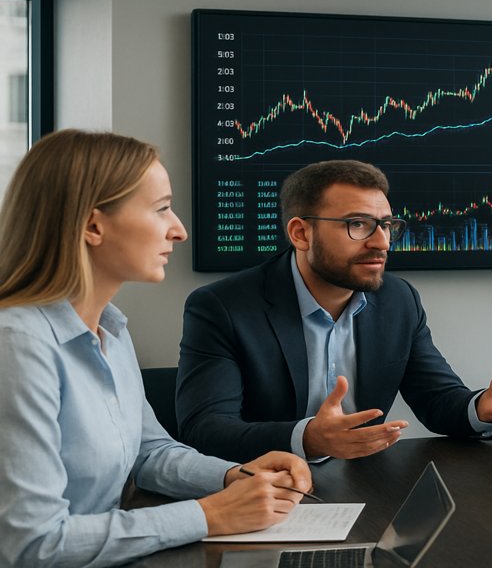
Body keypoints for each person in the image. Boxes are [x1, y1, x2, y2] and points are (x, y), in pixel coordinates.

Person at [0, 130, 313, 568]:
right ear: (93, 225)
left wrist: (237, 476)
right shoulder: (18, 346)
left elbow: (149, 453)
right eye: (161, 208)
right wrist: (210, 514)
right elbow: (34, 544)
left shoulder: (110, 328)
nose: (179, 229)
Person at [176, 159, 492, 463]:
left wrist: (483, 406)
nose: (381, 242)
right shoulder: (223, 307)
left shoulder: (398, 300)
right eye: (358, 225)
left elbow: (438, 400)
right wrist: (308, 438)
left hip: (366, 485)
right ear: (300, 233)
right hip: (262, 486)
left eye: (386, 225)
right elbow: (206, 429)